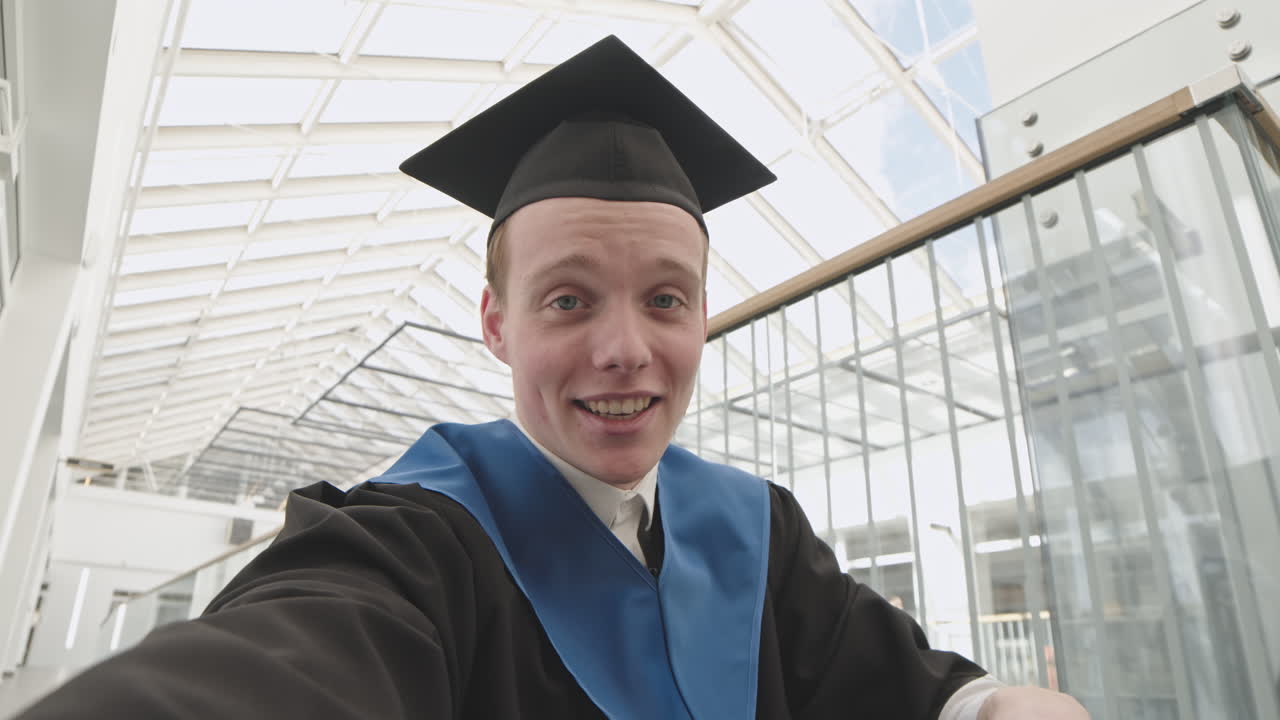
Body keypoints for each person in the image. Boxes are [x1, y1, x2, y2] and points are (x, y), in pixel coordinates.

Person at [17, 36, 1089, 719]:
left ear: (701, 315)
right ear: (496, 323)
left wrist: (994, 707)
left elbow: (904, 685)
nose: (624, 349)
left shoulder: (758, 536)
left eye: (665, 298)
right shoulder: (415, 543)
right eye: (568, 299)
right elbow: (287, 665)